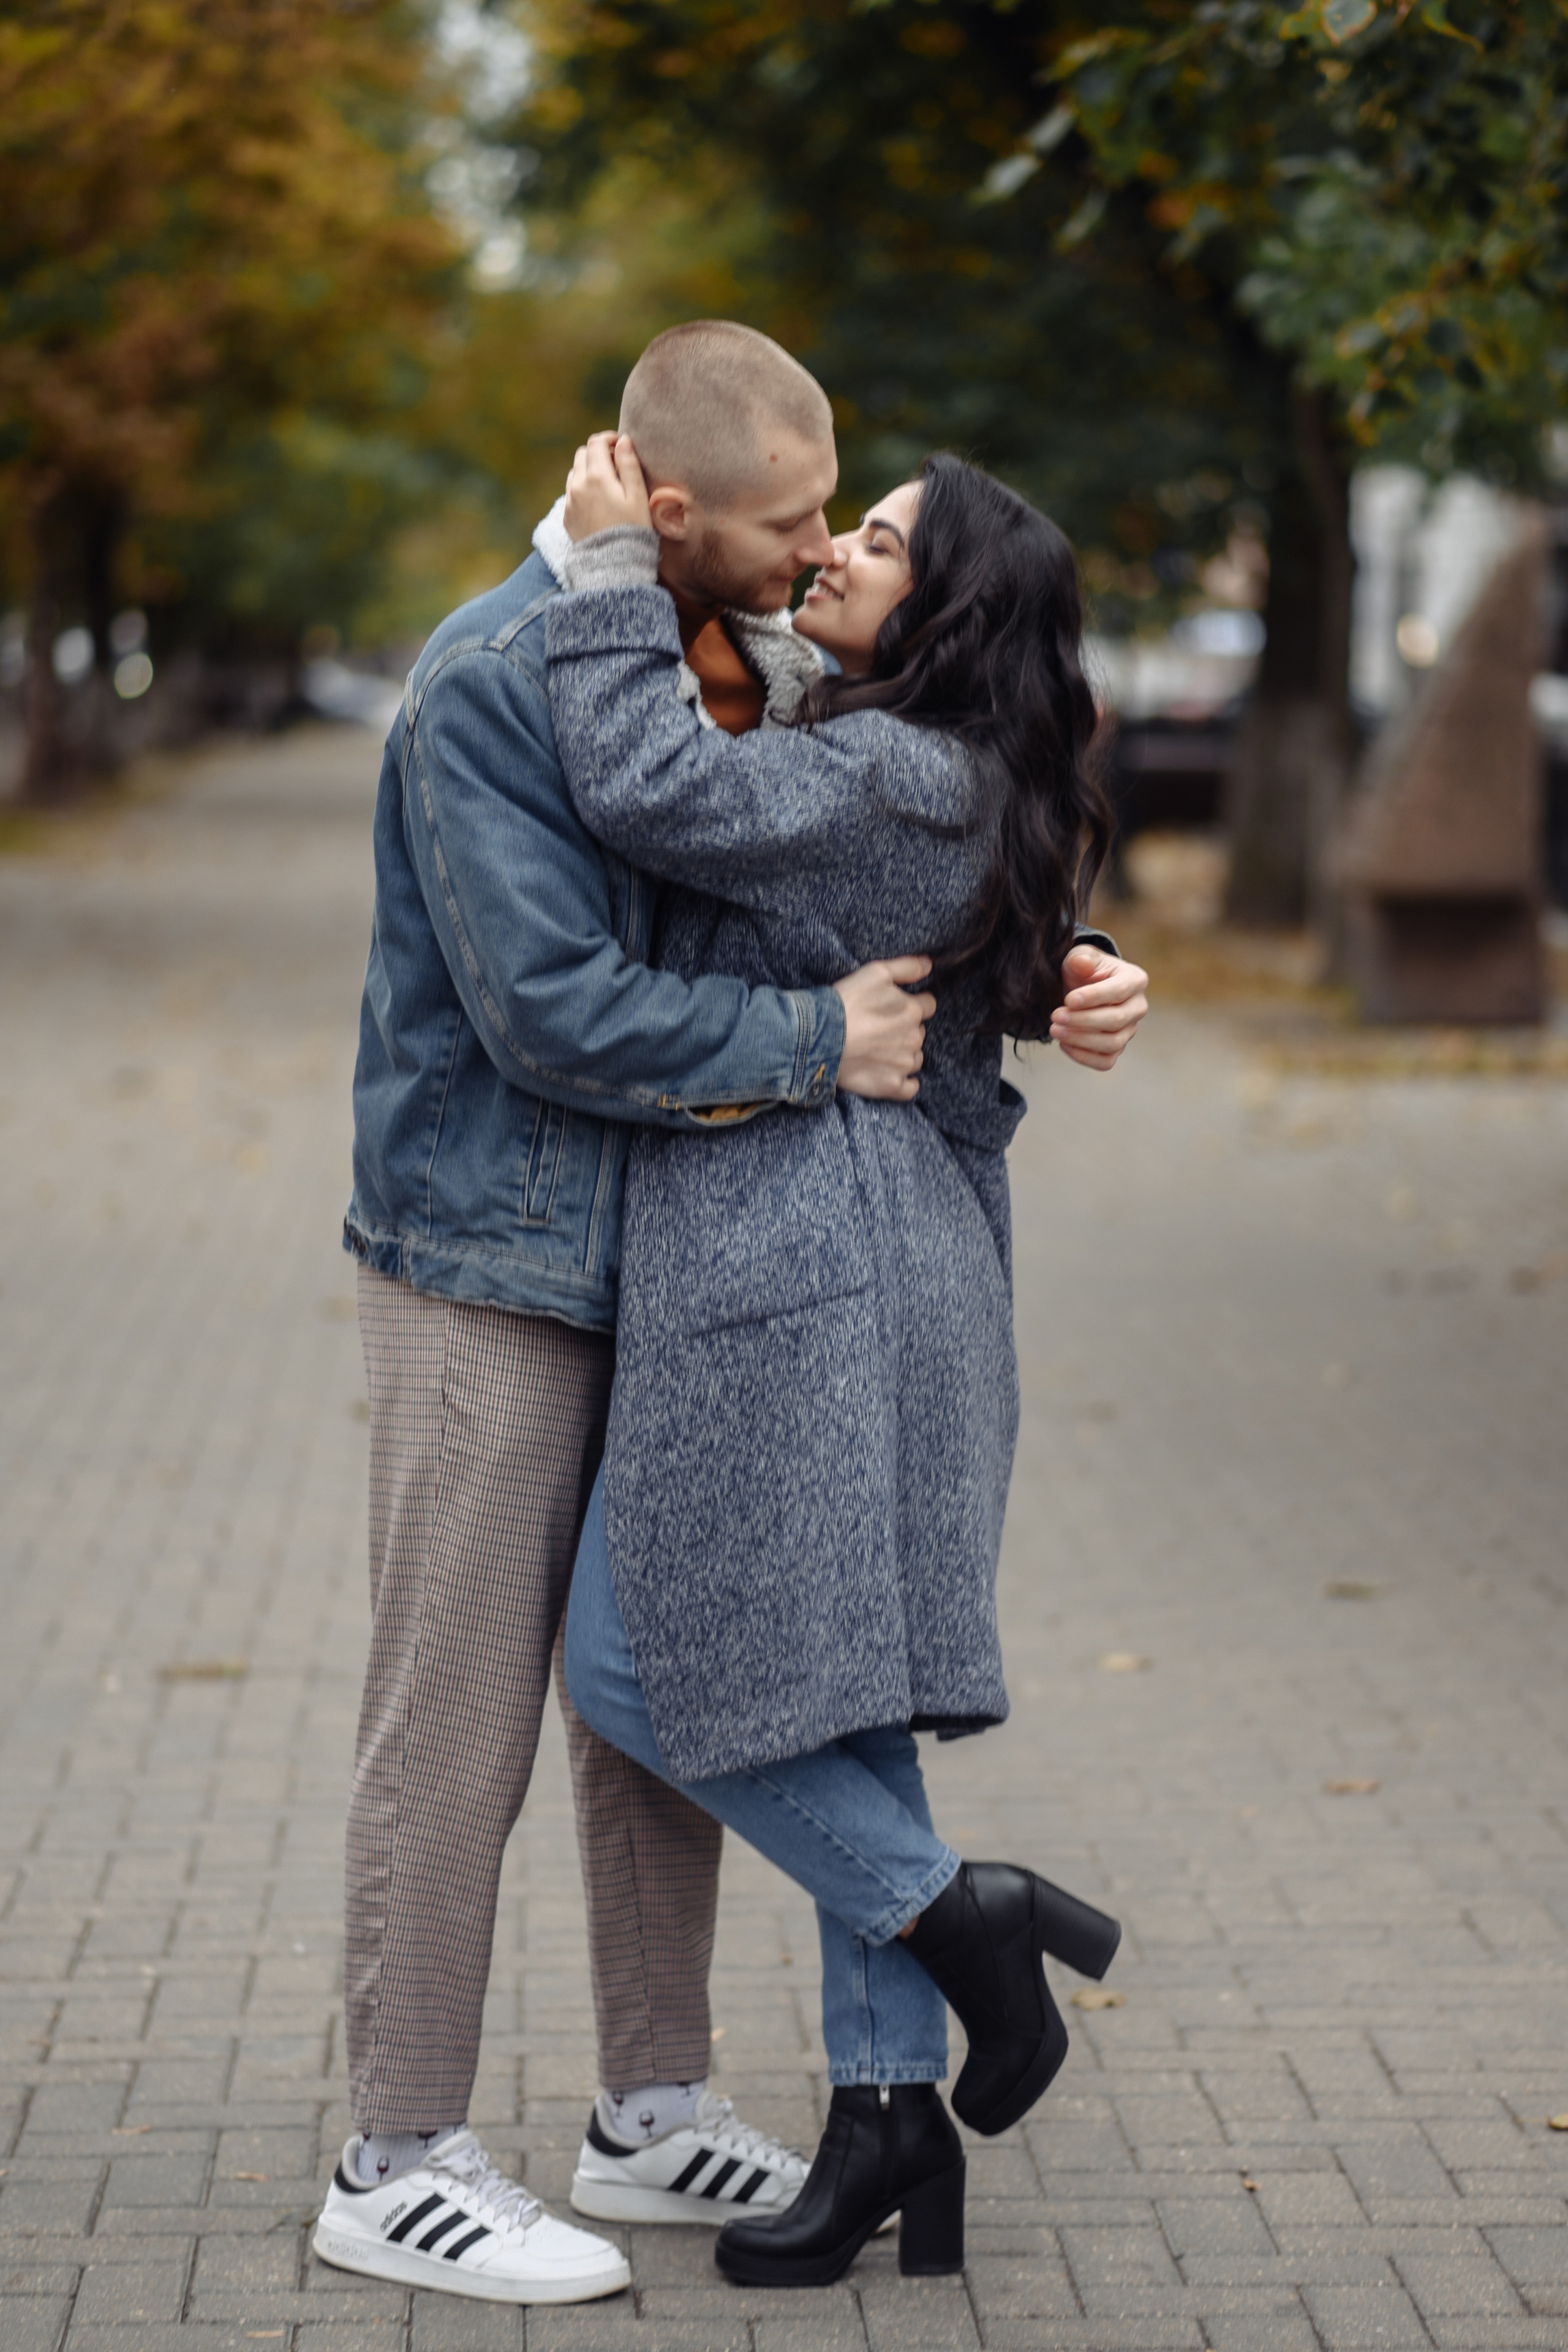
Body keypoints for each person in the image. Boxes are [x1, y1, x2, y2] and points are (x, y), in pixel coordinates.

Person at [312, 320, 1148, 2306]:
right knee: (465, 1722)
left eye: (833, 524)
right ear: (661, 511)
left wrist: (1057, 964)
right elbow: (556, 1013)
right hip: (500, 1262)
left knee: (666, 1715)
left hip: (690, 1256)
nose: (805, 563)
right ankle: (398, 2148)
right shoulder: (498, 680)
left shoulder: (741, 656)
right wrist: (816, 1040)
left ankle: (651, 2105)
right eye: (785, 529)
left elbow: (878, 847)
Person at [547, 423, 1144, 2291]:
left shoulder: (886, 769)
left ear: (946, 607)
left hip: (813, 1267)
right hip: (900, 1266)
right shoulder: (935, 761)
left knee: (631, 1662)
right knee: (839, 1696)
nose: (834, 562)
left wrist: (596, 581)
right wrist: (1088, 960)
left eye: (875, 545)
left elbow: (655, 791)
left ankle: (961, 1916)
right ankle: (891, 2123)